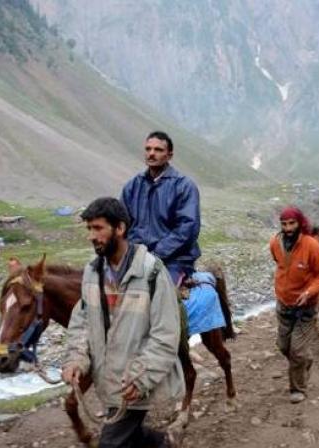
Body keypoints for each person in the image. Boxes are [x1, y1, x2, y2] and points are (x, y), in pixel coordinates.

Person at [63, 197, 183, 447]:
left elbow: (166, 335)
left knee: (111, 444)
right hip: (109, 382)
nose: (91, 236)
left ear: (120, 228)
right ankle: (162, 443)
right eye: (89, 229)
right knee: (131, 438)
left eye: (98, 228)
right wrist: (76, 359)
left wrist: (142, 376)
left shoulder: (152, 273)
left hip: (135, 383)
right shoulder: (92, 273)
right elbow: (82, 322)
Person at [120, 131, 201, 285]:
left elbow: (187, 229)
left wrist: (155, 254)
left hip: (174, 260)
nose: (151, 153)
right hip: (136, 257)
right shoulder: (132, 186)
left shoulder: (184, 186)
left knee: (163, 294)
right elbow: (121, 224)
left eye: (158, 150)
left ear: (169, 155)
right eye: (148, 149)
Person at [269, 207, 319, 403]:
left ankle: (297, 389)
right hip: (284, 304)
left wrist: (309, 292)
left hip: (306, 306)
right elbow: (279, 263)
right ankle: (305, 361)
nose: (288, 228)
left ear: (300, 223)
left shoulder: (311, 245)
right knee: (283, 346)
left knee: (296, 351)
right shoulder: (275, 243)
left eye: (292, 224)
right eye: (284, 224)